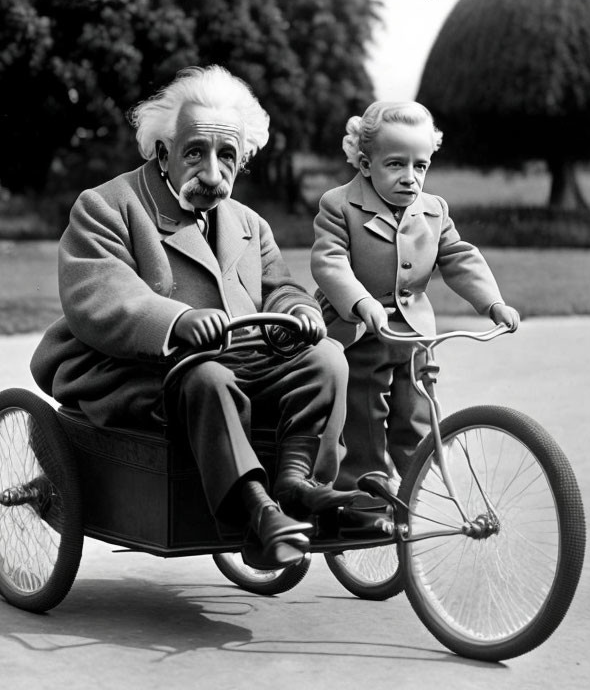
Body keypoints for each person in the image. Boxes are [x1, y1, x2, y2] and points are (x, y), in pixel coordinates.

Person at [31, 65, 363, 569]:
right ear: (163, 151)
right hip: (132, 371)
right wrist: (175, 320)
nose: (212, 173)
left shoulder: (249, 225)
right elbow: (99, 294)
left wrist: (295, 309)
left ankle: (296, 486)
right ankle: (254, 512)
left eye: (227, 155)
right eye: (195, 153)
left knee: (327, 359)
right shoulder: (108, 206)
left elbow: (279, 287)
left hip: (235, 365)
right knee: (207, 376)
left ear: (243, 157)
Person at [310, 101, 520, 487]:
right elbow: (330, 262)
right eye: (395, 165)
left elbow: (458, 258)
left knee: (417, 412)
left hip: (413, 334)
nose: (410, 177)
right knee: (364, 412)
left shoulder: (434, 210)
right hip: (358, 332)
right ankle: (364, 491)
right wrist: (361, 302)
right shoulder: (340, 205)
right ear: (365, 165)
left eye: (419, 166)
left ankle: (415, 484)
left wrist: (493, 303)